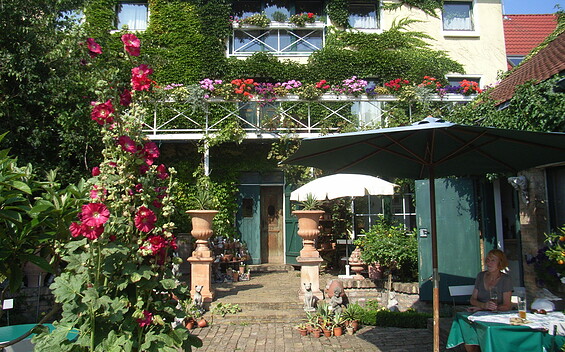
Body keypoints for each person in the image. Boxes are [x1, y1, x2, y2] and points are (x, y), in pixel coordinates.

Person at [465, 249, 513, 352]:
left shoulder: (506, 279)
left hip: (498, 318)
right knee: (467, 329)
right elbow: (473, 299)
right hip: (479, 314)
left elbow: (507, 305)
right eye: (487, 260)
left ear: (500, 263)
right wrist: (483, 306)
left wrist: (490, 309)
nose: (489, 263)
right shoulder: (481, 276)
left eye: (493, 260)